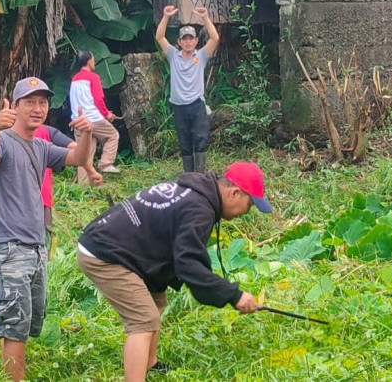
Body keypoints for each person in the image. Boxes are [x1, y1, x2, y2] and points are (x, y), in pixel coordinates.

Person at [77, 161, 272, 381]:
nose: (247, 212)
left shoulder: (197, 192)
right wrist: (234, 295)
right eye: (250, 204)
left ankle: (150, 364)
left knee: (156, 302)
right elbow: (189, 264)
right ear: (235, 193)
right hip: (104, 254)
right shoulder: (199, 209)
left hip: (123, 246)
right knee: (143, 320)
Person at [0, 76, 94, 382]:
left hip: (36, 248)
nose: (38, 108)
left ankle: (10, 371)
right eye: (30, 102)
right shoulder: (3, 140)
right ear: (14, 106)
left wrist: (85, 135)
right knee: (15, 327)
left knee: (24, 324)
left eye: (42, 102)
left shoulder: (41, 146)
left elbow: (77, 158)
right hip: (10, 248)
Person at [155, 5, 219, 173]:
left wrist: (205, 17)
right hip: (179, 105)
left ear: (196, 41)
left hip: (197, 104)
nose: (188, 41)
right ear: (179, 42)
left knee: (200, 139)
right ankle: (188, 175)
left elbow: (214, 38)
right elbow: (160, 37)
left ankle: (199, 174)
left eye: (191, 38)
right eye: (185, 39)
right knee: (184, 141)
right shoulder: (173, 55)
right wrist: (166, 16)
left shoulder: (201, 55)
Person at [34, 124, 102, 238]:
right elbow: (75, 148)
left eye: (42, 104)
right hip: (39, 199)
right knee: (43, 241)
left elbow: (76, 150)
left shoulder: (44, 131)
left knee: (42, 240)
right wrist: (91, 172)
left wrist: (91, 172)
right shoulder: (5, 133)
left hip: (39, 198)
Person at [69, 50, 121, 180]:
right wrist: (106, 114)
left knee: (84, 153)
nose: (95, 62)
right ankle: (106, 163)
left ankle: (83, 187)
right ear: (89, 61)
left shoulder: (74, 79)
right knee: (113, 135)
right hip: (93, 119)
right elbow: (98, 99)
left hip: (77, 120)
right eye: (93, 59)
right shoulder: (93, 77)